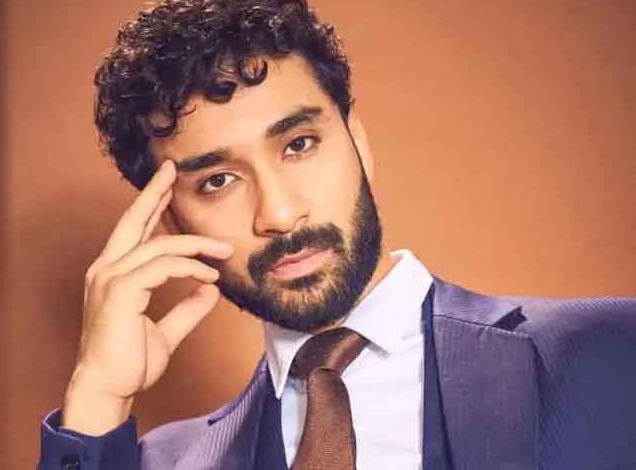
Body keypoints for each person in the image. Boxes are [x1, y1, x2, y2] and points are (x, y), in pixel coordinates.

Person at [37, 1, 636, 469]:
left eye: (299, 145)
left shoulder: (613, 351)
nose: (279, 213)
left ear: (358, 142)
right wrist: (98, 397)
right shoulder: (165, 462)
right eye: (218, 181)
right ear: (171, 222)